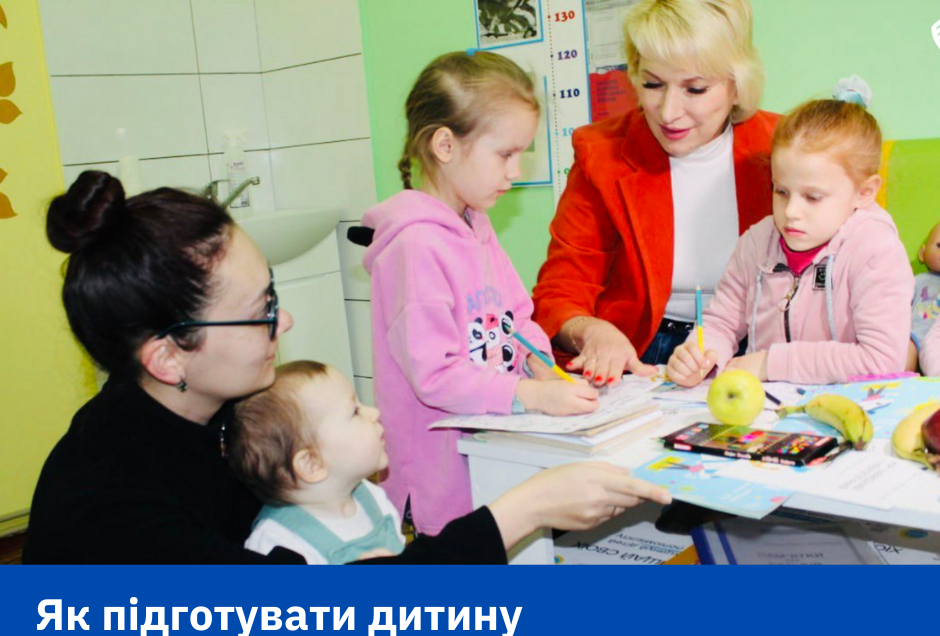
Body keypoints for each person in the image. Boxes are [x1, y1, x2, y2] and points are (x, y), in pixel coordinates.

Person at [24, 171, 670, 565]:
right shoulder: (110, 507)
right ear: (167, 356)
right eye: (260, 311)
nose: (284, 322)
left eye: (274, 296)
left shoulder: (216, 413)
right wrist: (524, 510)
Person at [362, 51, 599, 537]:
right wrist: (530, 394)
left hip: (486, 450)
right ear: (445, 145)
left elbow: (517, 318)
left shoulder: (476, 225)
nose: (515, 172)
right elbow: (434, 375)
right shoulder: (415, 245)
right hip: (437, 476)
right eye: (505, 155)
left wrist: (541, 366)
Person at [532, 0, 776, 384]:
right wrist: (591, 332)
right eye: (653, 84)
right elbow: (561, 290)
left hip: (758, 344)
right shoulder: (601, 153)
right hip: (643, 350)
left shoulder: (783, 147)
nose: (668, 112)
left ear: (737, 86)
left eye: (695, 88)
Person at [666, 80, 914, 386]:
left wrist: (771, 364)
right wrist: (700, 355)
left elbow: (881, 359)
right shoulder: (756, 243)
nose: (791, 211)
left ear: (864, 192)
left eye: (813, 197)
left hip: (851, 403)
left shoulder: (876, 250)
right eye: (781, 191)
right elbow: (721, 324)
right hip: (765, 405)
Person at [228, 360, 405, 565]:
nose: (374, 413)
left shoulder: (374, 498)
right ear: (312, 464)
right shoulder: (277, 542)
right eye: (355, 411)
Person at [910, 221, 940, 372]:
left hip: (937, 340)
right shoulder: (918, 280)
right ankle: (901, 377)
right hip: (916, 333)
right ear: (922, 253)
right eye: (939, 246)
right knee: (906, 350)